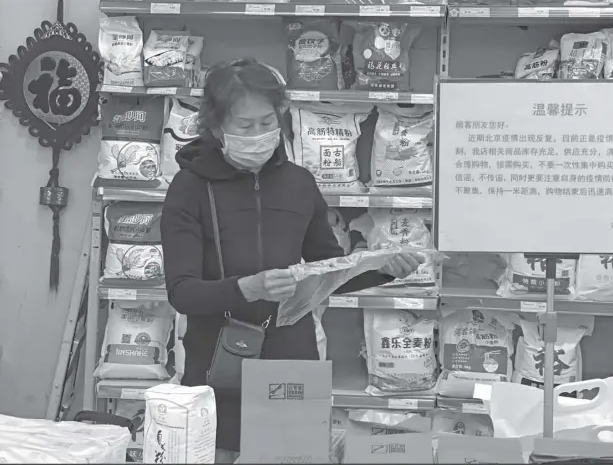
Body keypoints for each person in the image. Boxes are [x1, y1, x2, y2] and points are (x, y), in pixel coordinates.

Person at [160, 59, 424, 463]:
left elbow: (327, 269)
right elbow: (182, 292)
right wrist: (247, 287)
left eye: (267, 122)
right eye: (245, 126)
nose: (259, 135)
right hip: (219, 360)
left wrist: (380, 268)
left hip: (291, 359)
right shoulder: (190, 188)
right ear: (216, 128)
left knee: (291, 455)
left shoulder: (299, 183)